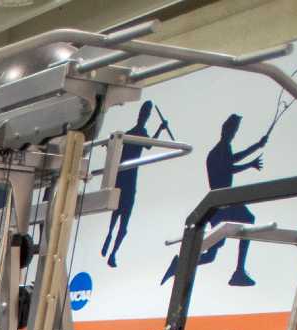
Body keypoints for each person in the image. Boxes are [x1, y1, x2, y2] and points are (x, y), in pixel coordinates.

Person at [160, 113, 274, 288]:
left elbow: (233, 159)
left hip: (220, 204)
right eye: (234, 130)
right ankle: (239, 270)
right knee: (248, 221)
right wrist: (250, 164)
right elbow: (229, 168)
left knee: (212, 255)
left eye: (236, 130)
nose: (235, 133)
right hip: (223, 203)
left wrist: (257, 146)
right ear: (227, 130)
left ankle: (181, 264)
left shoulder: (223, 149)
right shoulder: (219, 151)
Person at [101, 101, 174, 268]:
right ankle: (111, 248)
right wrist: (160, 129)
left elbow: (144, 145)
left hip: (124, 177)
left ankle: (110, 242)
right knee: (122, 218)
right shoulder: (138, 132)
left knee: (118, 216)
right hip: (128, 178)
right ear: (144, 115)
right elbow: (149, 144)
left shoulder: (132, 133)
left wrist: (159, 130)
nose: (145, 116)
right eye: (146, 113)